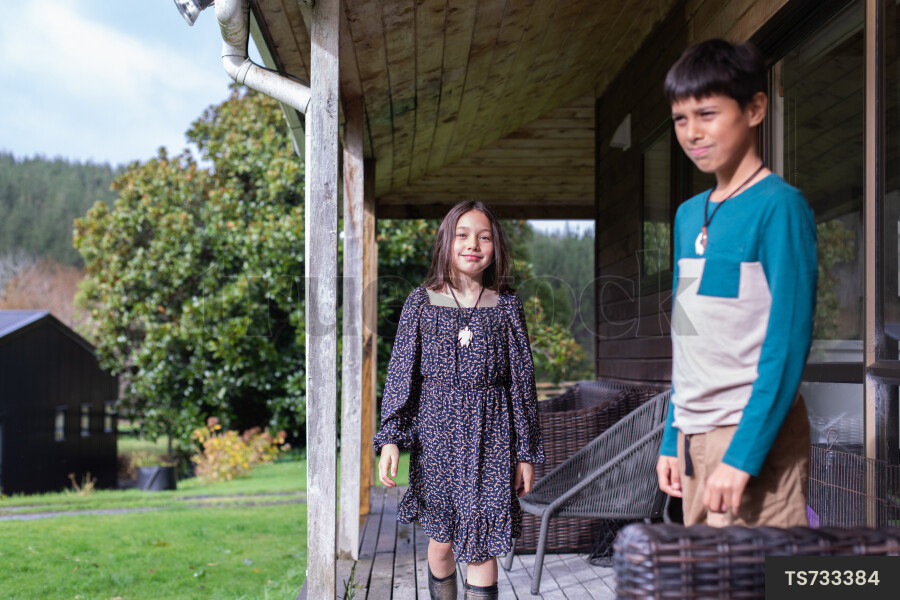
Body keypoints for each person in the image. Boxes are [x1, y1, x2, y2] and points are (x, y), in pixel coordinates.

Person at [655, 39, 817, 527]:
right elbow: (687, 337)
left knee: (763, 583)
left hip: (752, 435)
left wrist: (743, 455)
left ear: (755, 108)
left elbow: (787, 346)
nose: (692, 132)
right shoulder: (687, 217)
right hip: (693, 439)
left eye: (706, 113)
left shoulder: (779, 207)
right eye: (681, 119)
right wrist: (671, 437)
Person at [374, 200, 544, 600]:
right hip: (436, 439)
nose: (473, 244)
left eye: (484, 237)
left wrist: (526, 453)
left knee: (481, 540)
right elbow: (401, 375)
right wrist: (392, 439)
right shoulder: (421, 302)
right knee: (442, 542)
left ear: (495, 247)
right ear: (446, 242)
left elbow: (522, 384)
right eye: (463, 235)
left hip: (492, 437)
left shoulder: (506, 306)